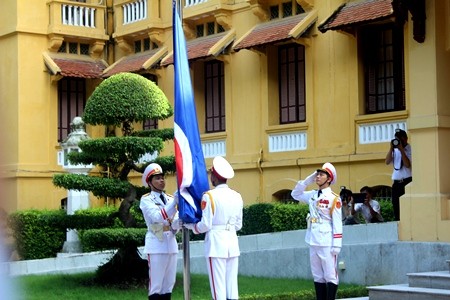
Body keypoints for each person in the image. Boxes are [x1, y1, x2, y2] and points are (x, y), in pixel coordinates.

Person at [184, 156, 243, 300]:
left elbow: (205, 225)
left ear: (214, 177)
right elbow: (238, 225)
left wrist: (192, 226)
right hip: (232, 243)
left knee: (218, 289)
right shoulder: (237, 196)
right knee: (231, 288)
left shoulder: (209, 196)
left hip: (216, 244)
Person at [291, 163, 342, 300]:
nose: (318, 177)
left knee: (330, 275)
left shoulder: (333, 198)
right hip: (312, 239)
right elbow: (295, 194)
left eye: (321, 174)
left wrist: (337, 244)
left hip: (327, 241)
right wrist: (308, 180)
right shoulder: (313, 195)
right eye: (317, 174)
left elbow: (337, 222)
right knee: (318, 274)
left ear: (329, 179)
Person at [140, 163, 180, 300]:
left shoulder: (169, 198)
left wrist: (177, 223)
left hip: (171, 242)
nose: (161, 180)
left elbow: (174, 219)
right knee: (156, 286)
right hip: (156, 243)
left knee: (169, 284)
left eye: (162, 177)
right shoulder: (146, 200)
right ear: (150, 182)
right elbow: (157, 217)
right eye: (157, 178)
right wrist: (174, 202)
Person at [385, 128, 412, 221]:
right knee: (396, 206)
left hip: (407, 182)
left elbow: (407, 165)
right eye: (397, 139)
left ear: (405, 139)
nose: (398, 141)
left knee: (407, 207)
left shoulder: (410, 149)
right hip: (396, 183)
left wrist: (402, 150)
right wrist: (391, 148)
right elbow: (387, 161)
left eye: (400, 139)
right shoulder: (394, 150)